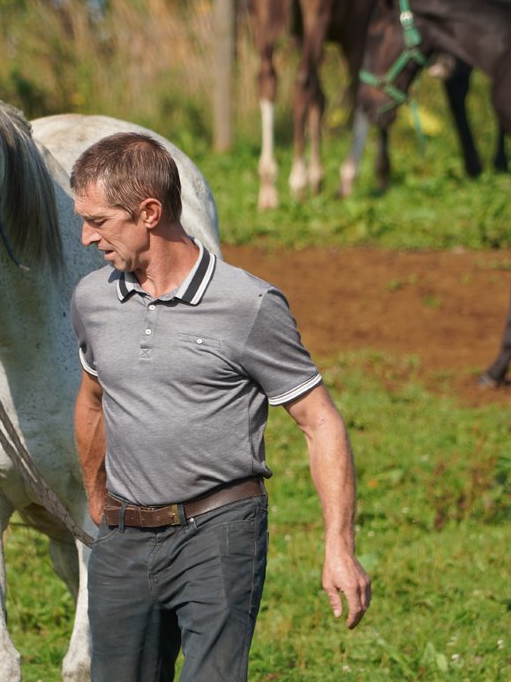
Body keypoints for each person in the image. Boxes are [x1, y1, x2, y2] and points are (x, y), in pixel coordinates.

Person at [69, 132, 371, 682]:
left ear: (149, 213)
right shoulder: (92, 298)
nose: (86, 237)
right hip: (123, 538)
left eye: (98, 221)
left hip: (217, 533)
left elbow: (320, 420)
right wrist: (96, 496)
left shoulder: (248, 304)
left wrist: (339, 544)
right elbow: (92, 400)